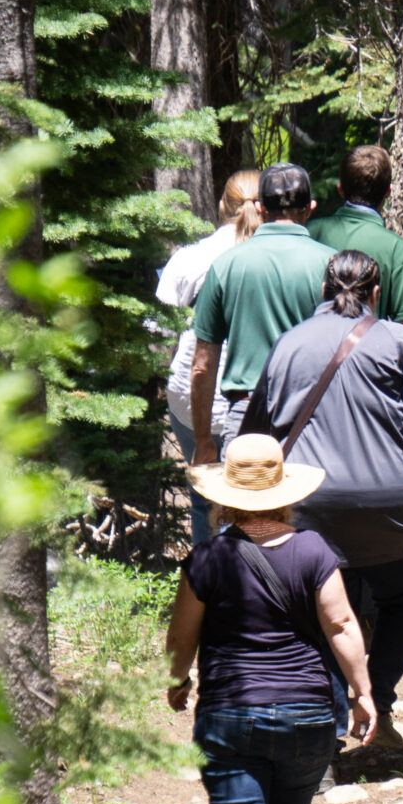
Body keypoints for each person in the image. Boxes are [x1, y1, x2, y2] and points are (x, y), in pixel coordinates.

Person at [165, 434, 375, 804]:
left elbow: (182, 634)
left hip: (230, 714)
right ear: (287, 495)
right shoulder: (313, 551)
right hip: (307, 714)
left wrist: (178, 680)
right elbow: (342, 625)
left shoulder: (207, 559)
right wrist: (362, 692)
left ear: (223, 499)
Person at [241, 251, 403, 748]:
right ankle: (377, 700)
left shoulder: (289, 343)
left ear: (323, 289)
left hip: (308, 509)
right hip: (391, 511)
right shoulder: (399, 341)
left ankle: (328, 727)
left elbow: (256, 436)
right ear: (376, 294)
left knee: (318, 613)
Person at [190, 163, 334, 466]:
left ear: (260, 207)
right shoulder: (331, 264)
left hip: (246, 420)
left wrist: (203, 441)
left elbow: (202, 365)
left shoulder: (226, 266)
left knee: (246, 511)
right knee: (305, 512)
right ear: (310, 208)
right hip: (313, 419)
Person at [159, 169, 264, 545]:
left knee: (206, 503)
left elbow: (157, 331)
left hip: (190, 398)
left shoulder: (189, 259)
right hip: (253, 404)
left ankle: (207, 587)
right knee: (258, 502)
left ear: (223, 206)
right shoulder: (271, 262)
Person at [308, 144, 403, 326]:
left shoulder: (311, 233)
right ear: (388, 192)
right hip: (370, 352)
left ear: (340, 190)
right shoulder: (399, 251)